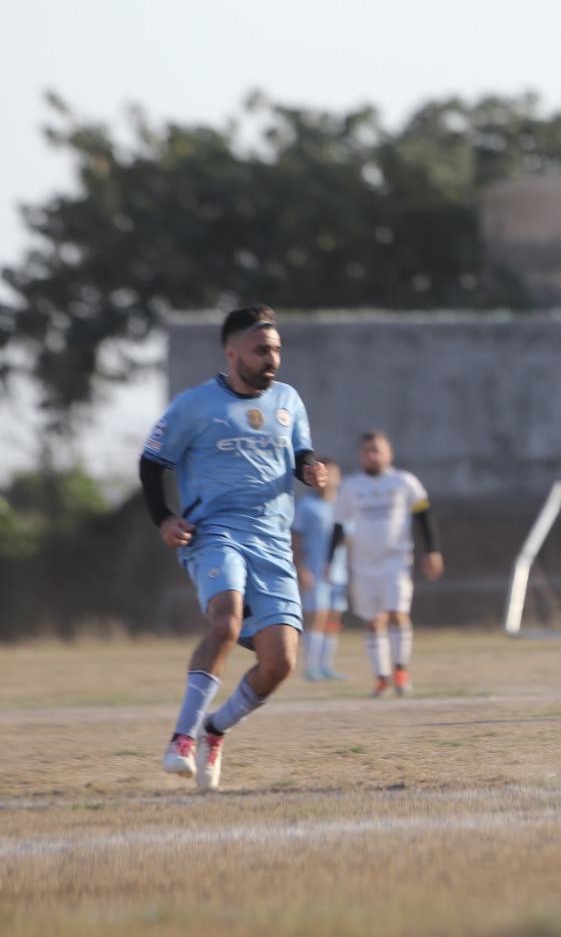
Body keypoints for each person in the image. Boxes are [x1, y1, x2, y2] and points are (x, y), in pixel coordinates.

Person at [144, 305, 328, 792]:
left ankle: (214, 730)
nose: (272, 359)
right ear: (232, 353)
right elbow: (151, 462)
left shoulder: (289, 399)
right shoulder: (194, 406)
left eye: (277, 350)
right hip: (215, 532)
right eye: (261, 350)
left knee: (281, 662)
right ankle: (182, 737)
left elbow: (301, 451)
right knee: (224, 622)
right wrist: (164, 518)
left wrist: (309, 468)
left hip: (273, 540)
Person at [331, 431, 443, 698]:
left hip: (396, 561)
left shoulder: (403, 481)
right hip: (363, 564)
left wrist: (433, 551)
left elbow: (424, 515)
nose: (372, 455)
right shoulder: (351, 486)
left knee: (398, 614)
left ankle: (401, 671)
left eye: (377, 450)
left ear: (388, 453)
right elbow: (338, 524)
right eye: (367, 451)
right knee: (373, 621)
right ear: (361, 455)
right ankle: (381, 676)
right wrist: (328, 560)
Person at [292, 461, 349, 681]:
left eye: (332, 474)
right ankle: (311, 666)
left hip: (339, 572)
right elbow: (296, 539)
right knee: (317, 616)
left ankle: (326, 665)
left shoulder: (343, 507)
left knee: (333, 618)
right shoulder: (306, 506)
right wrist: (301, 568)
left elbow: (349, 540)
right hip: (315, 571)